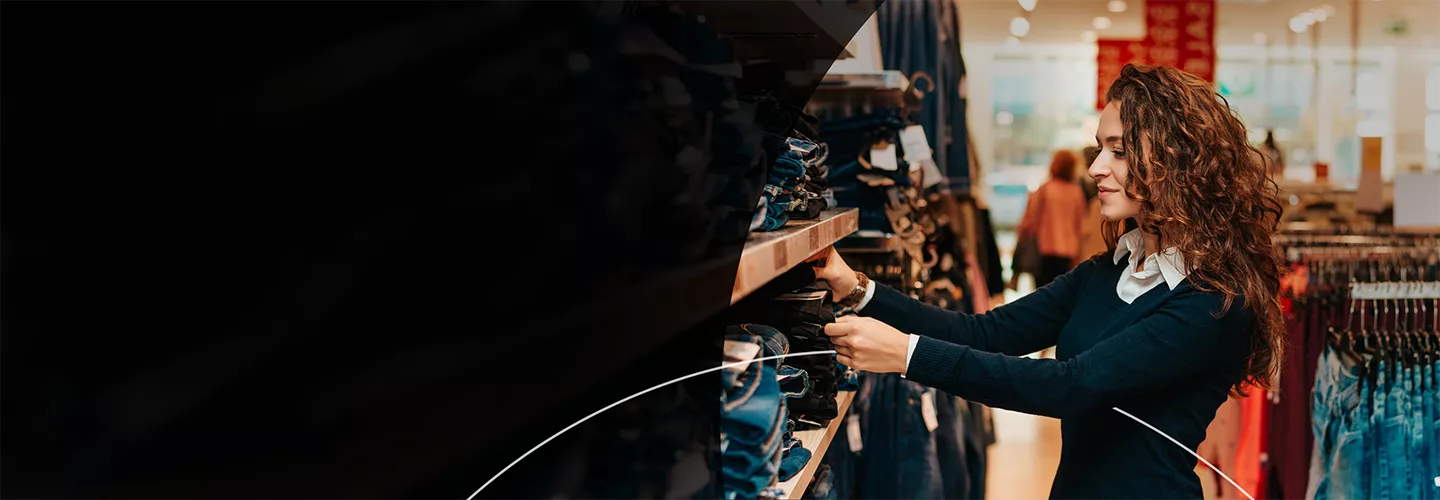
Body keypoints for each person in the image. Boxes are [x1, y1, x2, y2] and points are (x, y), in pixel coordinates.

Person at [808, 64, 1285, 498]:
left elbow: (1071, 386)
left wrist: (906, 356)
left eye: (1118, 151)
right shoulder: (1110, 271)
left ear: (1174, 161)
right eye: (1100, 148)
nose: (1097, 167)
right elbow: (984, 333)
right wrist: (856, 288)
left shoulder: (1213, 302)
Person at [1016, 150, 1087, 288]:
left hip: (1044, 249)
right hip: (1069, 252)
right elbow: (1080, 225)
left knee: (1044, 295)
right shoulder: (1076, 192)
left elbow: (1029, 221)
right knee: (1064, 295)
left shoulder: (1045, 190)